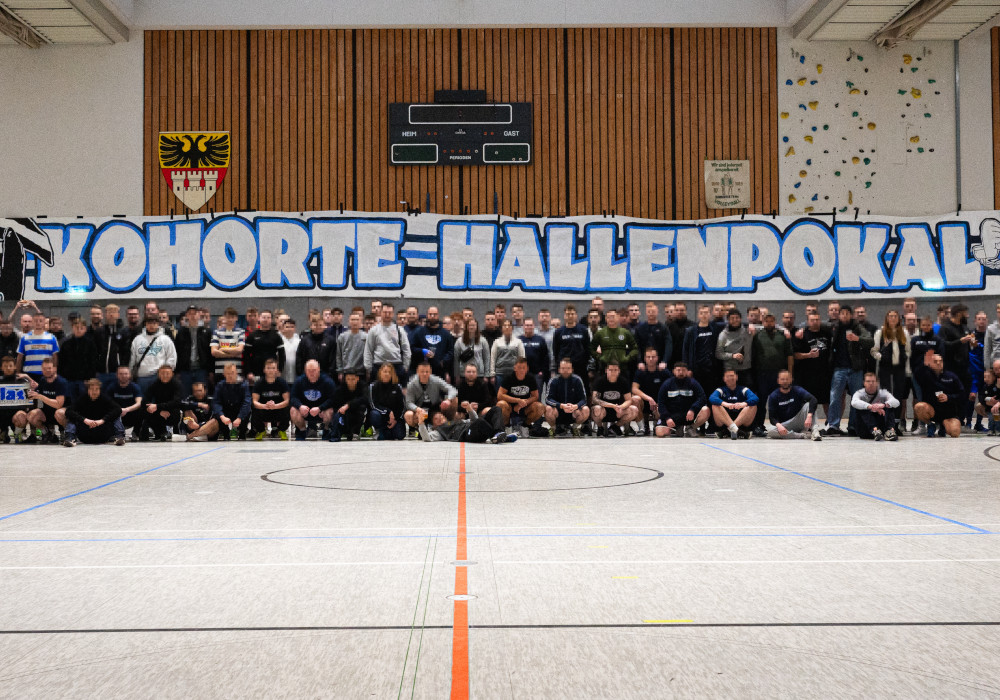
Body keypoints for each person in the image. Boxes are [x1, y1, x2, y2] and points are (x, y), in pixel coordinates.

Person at [823, 305, 872, 437]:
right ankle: (833, 425)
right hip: (839, 368)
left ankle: (853, 426)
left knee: (856, 398)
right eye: (842, 313)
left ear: (851, 315)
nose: (844, 316)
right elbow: (816, 325)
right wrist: (802, 329)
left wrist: (858, 339)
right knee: (835, 397)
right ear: (839, 315)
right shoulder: (834, 327)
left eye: (847, 313)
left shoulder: (857, 327)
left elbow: (870, 340)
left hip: (855, 368)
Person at [750, 313, 793, 436]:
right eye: (766, 321)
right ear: (763, 322)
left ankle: (783, 425)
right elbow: (753, 354)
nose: (769, 323)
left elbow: (789, 355)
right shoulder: (757, 335)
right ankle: (759, 425)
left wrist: (790, 373)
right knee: (761, 401)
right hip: (762, 374)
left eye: (771, 321)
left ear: (775, 321)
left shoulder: (782, 335)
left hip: (779, 375)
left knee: (781, 400)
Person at [871, 310, 909, 430]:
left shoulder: (904, 332)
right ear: (887, 318)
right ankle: (887, 423)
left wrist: (904, 359)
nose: (893, 318)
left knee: (898, 395)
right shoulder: (880, 332)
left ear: (898, 319)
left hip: (899, 368)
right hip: (885, 368)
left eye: (895, 316)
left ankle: (896, 424)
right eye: (890, 316)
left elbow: (908, 350)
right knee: (886, 394)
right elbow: (874, 350)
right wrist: (881, 357)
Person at [913, 351, 964, 438]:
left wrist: (949, 397)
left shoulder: (951, 376)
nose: (938, 363)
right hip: (932, 411)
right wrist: (924, 363)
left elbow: (962, 394)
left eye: (940, 361)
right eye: (935, 361)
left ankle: (943, 426)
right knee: (919, 407)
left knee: (955, 433)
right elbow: (916, 372)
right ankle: (930, 425)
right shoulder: (925, 375)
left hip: (948, 412)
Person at [61, 378, 125, 447]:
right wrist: (84, 420)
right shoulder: (82, 399)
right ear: (88, 390)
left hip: (103, 433)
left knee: (116, 414)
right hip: (85, 434)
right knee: (71, 416)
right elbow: (69, 411)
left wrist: (102, 420)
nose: (94, 392)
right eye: (92, 389)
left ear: (100, 390)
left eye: (96, 389)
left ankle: (119, 437)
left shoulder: (104, 398)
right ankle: (69, 438)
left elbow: (118, 409)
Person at [793, 312, 832, 419]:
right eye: (812, 320)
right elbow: (795, 355)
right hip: (807, 374)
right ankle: (807, 423)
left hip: (824, 373)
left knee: (827, 401)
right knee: (807, 401)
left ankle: (830, 424)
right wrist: (809, 355)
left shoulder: (827, 333)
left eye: (817, 319)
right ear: (807, 321)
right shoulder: (802, 335)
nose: (815, 322)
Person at [654, 362, 710, 438]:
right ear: (674, 371)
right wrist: (667, 418)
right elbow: (661, 403)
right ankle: (676, 429)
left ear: (687, 371)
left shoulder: (693, 383)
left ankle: (690, 428)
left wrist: (693, 409)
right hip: (672, 416)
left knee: (706, 410)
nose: (681, 372)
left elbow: (702, 398)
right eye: (678, 370)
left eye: (683, 370)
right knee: (660, 433)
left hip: (689, 416)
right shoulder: (667, 384)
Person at [908, 316, 944, 433]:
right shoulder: (915, 340)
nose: (925, 327)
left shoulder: (937, 340)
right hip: (918, 376)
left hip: (934, 376)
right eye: (923, 325)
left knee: (936, 399)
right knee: (920, 400)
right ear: (920, 326)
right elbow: (911, 358)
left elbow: (941, 356)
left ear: (931, 326)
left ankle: (938, 423)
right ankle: (922, 425)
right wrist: (915, 371)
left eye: (928, 325)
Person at [415, 403, 516, 444]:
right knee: (479, 422)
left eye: (441, 416)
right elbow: (427, 438)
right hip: (467, 434)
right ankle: (500, 437)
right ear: (434, 425)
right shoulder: (439, 432)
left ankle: (499, 433)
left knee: (496, 409)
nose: (440, 419)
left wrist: (469, 409)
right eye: (436, 419)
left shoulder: (454, 421)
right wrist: (421, 422)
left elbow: (474, 419)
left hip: (475, 427)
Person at [765, 369, 821, 441]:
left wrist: (809, 416)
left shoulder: (797, 390)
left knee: (809, 405)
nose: (785, 381)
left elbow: (813, 399)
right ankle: (801, 435)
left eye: (787, 379)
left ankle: (815, 432)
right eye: (782, 379)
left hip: (799, 420)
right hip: (786, 425)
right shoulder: (773, 396)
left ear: (791, 380)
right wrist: (779, 425)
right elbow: (772, 418)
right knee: (770, 431)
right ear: (778, 381)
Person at [364, 302, 412, 384]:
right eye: (385, 312)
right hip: (378, 365)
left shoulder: (399, 330)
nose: (387, 315)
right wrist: (369, 368)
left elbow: (406, 350)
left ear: (393, 314)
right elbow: (368, 350)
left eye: (389, 312)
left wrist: (405, 367)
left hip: (396, 365)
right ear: (381, 313)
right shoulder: (373, 330)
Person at [23, 357, 68, 443]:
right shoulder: (43, 380)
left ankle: (68, 433)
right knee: (31, 415)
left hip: (61, 412)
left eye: (49, 368)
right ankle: (46, 433)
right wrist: (31, 391)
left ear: (54, 369)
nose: (47, 370)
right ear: (42, 370)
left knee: (59, 413)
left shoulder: (61, 382)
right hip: (47, 412)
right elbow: (36, 394)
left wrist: (40, 396)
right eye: (44, 368)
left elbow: (58, 405)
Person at [495, 358, 544, 435]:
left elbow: (535, 396)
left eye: (524, 368)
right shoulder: (509, 378)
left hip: (525, 407)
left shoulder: (531, 378)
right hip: (510, 406)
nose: (521, 370)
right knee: (501, 404)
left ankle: (525, 426)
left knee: (540, 407)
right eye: (519, 368)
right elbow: (500, 395)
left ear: (527, 369)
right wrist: (517, 400)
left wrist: (523, 403)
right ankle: (507, 426)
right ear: (515, 368)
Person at [290, 359, 336, 440]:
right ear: (305, 370)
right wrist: (300, 406)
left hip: (321, 411)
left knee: (330, 411)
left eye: (314, 370)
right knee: (293, 410)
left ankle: (326, 430)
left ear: (319, 369)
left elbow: (333, 399)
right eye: (309, 370)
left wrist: (320, 408)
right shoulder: (299, 381)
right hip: (305, 411)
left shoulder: (327, 381)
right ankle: (301, 431)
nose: (311, 373)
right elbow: (293, 397)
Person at [544, 358, 591, 437]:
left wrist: (576, 406)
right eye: (563, 368)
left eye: (568, 368)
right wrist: (561, 405)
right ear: (559, 370)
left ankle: (574, 428)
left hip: (573, 412)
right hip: (558, 411)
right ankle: (554, 429)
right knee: (547, 409)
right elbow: (548, 399)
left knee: (586, 409)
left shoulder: (577, 380)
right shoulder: (553, 380)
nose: (565, 370)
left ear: (572, 369)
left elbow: (584, 400)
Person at [131, 314, 178, 393]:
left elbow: (172, 357)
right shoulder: (137, 339)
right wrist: (130, 373)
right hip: (142, 377)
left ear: (158, 324)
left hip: (158, 377)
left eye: (154, 323)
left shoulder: (165, 339)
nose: (152, 326)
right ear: (145, 324)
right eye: (149, 323)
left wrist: (166, 375)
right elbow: (133, 359)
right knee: (142, 399)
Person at [403, 362, 458, 429]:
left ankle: (451, 425)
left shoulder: (436, 380)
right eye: (422, 371)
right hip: (421, 411)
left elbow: (452, 389)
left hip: (435, 409)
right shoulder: (411, 384)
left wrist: (448, 400)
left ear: (430, 372)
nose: (425, 374)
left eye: (427, 371)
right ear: (417, 372)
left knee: (454, 399)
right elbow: (409, 403)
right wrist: (417, 409)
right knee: (408, 414)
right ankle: (416, 429)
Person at [136, 364, 183, 441]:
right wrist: (158, 410)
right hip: (158, 411)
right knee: (144, 410)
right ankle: (138, 432)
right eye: (162, 373)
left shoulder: (177, 384)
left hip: (172, 411)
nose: (165, 376)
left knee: (177, 410)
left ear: (172, 374)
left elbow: (176, 402)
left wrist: (157, 407)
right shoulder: (154, 384)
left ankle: (169, 431)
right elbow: (144, 401)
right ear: (158, 374)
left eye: (167, 373)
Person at [709, 368, 758, 440]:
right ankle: (738, 431)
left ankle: (728, 431)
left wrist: (743, 404)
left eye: (732, 376)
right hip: (724, 421)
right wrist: (726, 404)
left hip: (742, 421)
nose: (730, 378)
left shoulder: (743, 389)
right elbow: (712, 398)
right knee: (715, 405)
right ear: (724, 379)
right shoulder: (721, 390)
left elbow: (755, 398)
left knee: (753, 406)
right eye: (727, 376)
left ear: (736, 377)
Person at [174, 304, 213, 396]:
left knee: (201, 395)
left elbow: (209, 352)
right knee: (185, 395)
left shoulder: (206, 332)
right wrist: (177, 371)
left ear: (199, 315)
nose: (192, 316)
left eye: (195, 313)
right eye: (190, 313)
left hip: (201, 370)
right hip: (185, 370)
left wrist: (211, 370)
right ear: (187, 315)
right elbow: (177, 352)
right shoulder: (181, 332)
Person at [632, 347, 671, 435]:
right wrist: (649, 398)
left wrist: (661, 402)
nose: (650, 359)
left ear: (657, 358)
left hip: (660, 403)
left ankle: (658, 422)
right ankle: (643, 427)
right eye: (648, 357)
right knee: (635, 399)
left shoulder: (664, 372)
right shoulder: (640, 372)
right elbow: (634, 389)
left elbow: (672, 387)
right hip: (645, 402)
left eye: (653, 357)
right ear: (644, 358)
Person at [850, 372, 900, 441]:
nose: (871, 383)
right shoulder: (859, 393)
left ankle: (890, 431)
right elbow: (854, 402)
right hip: (865, 430)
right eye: (868, 381)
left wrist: (884, 405)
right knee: (861, 406)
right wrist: (871, 407)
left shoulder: (883, 393)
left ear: (877, 383)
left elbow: (897, 402)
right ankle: (874, 429)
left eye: (873, 381)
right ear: (864, 383)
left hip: (881, 429)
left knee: (889, 405)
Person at [59, 318, 98, 403]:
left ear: (85, 329)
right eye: (76, 327)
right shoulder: (66, 344)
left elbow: (93, 362)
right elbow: (61, 362)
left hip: (84, 380)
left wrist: (90, 378)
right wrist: (63, 377)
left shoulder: (90, 344)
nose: (79, 330)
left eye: (81, 328)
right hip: (69, 379)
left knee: (85, 401)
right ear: (72, 328)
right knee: (70, 402)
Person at [552, 304, 590, 392]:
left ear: (576, 315)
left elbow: (587, 348)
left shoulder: (583, 330)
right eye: (568, 314)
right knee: (564, 390)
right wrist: (560, 365)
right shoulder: (559, 332)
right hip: (564, 367)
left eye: (572, 314)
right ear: (564, 316)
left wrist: (585, 363)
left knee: (582, 390)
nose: (570, 316)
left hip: (580, 367)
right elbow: (555, 350)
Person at [251, 357, 291, 440]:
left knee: (289, 407)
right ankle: (261, 431)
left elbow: (287, 401)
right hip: (264, 410)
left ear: (276, 370)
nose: (271, 370)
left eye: (273, 368)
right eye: (268, 368)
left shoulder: (282, 382)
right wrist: (264, 406)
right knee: (253, 407)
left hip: (278, 409)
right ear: (264, 370)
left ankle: (282, 430)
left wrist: (276, 406)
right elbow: (254, 401)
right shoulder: (259, 383)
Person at [590, 309, 638, 375]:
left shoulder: (625, 332)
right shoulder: (600, 333)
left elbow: (635, 348)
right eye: (608, 317)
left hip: (622, 368)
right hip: (605, 368)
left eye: (613, 317)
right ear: (606, 319)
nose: (611, 319)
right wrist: (600, 358)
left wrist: (627, 358)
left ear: (618, 317)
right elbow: (591, 348)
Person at [411, 306, 454, 381]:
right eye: (430, 314)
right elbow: (412, 348)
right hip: (423, 370)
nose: (432, 316)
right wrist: (422, 351)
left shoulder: (446, 334)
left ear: (438, 315)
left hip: (440, 370)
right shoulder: (419, 332)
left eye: (435, 314)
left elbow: (450, 351)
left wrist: (443, 362)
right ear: (427, 315)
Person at [16, 311, 59, 381]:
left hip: (46, 373)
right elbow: (20, 357)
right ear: (32, 322)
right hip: (29, 373)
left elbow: (55, 357)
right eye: (36, 321)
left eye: (40, 321)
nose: (38, 323)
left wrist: (54, 371)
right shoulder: (24, 338)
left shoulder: (52, 338)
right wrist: (18, 373)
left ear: (44, 322)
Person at [244, 309, 285, 383]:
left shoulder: (276, 336)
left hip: (272, 372)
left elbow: (282, 355)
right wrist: (248, 372)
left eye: (268, 318)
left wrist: (279, 370)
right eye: (264, 317)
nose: (266, 320)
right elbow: (246, 355)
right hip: (255, 372)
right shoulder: (252, 336)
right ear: (259, 318)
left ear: (271, 320)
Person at [368, 362, 406, 440]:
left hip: (394, 417)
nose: (387, 374)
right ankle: (379, 430)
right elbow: (373, 405)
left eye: (389, 372)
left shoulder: (397, 387)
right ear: (380, 373)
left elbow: (401, 406)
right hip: (381, 415)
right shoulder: (373, 386)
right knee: (374, 414)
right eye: (385, 371)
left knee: (400, 435)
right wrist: (388, 412)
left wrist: (395, 418)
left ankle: (387, 431)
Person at [715, 309, 752, 386]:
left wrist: (752, 325)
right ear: (728, 320)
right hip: (730, 370)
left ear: (741, 319)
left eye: (737, 318)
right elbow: (718, 354)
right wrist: (732, 356)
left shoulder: (748, 330)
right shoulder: (723, 335)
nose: (735, 320)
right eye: (732, 318)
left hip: (746, 369)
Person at [328, 369, 367, 442]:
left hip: (358, 411)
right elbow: (335, 403)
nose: (351, 381)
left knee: (362, 408)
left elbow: (364, 399)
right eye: (348, 379)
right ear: (345, 379)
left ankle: (356, 432)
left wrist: (348, 405)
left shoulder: (363, 386)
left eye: (353, 379)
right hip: (344, 413)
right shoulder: (340, 389)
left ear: (357, 378)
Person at [0, 354, 32, 443]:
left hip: (17, 413)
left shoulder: (23, 381)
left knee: (22, 416)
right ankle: (3, 432)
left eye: (10, 366)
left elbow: (32, 395)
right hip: (2, 413)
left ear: (15, 367)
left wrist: (28, 378)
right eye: (5, 366)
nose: (8, 368)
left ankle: (17, 433)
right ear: (1, 368)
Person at [210, 307, 246, 381]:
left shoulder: (241, 332)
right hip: (220, 371)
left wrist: (222, 349)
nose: (230, 319)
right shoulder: (216, 332)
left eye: (232, 317)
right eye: (228, 317)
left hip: (236, 371)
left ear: (236, 318)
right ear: (225, 318)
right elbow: (214, 352)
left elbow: (239, 350)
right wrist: (232, 354)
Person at [453, 317, 491, 382]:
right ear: (466, 327)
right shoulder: (459, 341)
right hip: (464, 374)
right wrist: (457, 375)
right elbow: (456, 359)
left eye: (473, 325)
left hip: (479, 374)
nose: (471, 327)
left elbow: (487, 358)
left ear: (477, 327)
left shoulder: (483, 341)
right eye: (470, 325)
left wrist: (486, 375)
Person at [634, 301, 670, 367]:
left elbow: (668, 346)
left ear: (657, 312)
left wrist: (664, 361)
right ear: (646, 312)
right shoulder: (639, 329)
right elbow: (636, 346)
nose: (651, 313)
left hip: (661, 364)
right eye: (649, 311)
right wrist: (639, 361)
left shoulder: (663, 328)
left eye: (653, 311)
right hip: (643, 365)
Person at [519, 318, 551, 392]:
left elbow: (545, 357)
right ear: (523, 326)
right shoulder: (519, 340)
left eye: (530, 325)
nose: (529, 327)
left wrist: (542, 372)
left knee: (536, 396)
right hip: (523, 374)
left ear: (534, 326)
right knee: (523, 395)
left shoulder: (540, 339)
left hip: (537, 374)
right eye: (527, 325)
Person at [976, 368, 1000, 435]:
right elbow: (982, 397)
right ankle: (991, 429)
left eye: (989, 377)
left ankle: (997, 429)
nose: (986, 379)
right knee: (991, 419)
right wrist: (989, 399)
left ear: (994, 378)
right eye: (984, 377)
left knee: (997, 419)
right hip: (989, 408)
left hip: (997, 408)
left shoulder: (996, 386)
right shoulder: (984, 387)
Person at [280, 317, 300, 384]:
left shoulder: (299, 342)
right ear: (283, 329)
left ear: (295, 329)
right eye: (287, 327)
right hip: (282, 375)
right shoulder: (279, 342)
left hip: (296, 376)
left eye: (292, 327)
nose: (289, 329)